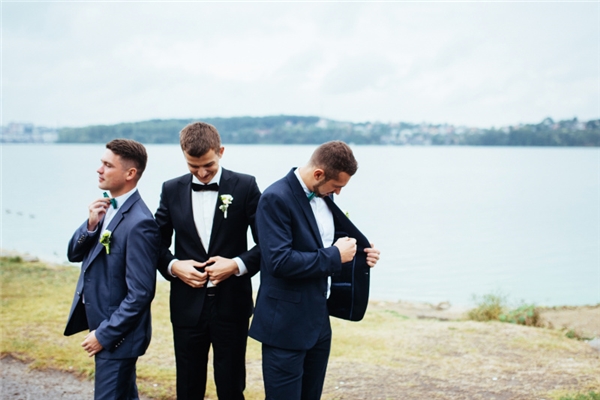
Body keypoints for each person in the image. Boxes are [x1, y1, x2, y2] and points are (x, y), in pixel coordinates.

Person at [249, 140, 380, 399]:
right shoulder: (275, 198)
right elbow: (279, 261)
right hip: (285, 325)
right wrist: (336, 255)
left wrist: (362, 255)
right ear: (318, 174)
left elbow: (328, 245)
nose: (338, 193)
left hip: (319, 322)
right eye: (337, 186)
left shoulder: (324, 195)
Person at [154, 122, 261, 400]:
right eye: (193, 166)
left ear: (221, 152)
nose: (202, 173)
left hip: (232, 305)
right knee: (188, 388)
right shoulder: (171, 189)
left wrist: (236, 264)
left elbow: (269, 244)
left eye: (208, 165)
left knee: (231, 388)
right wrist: (174, 266)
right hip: (187, 306)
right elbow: (155, 244)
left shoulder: (246, 186)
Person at [64, 139, 160, 400]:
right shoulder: (105, 208)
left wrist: (104, 335)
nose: (99, 169)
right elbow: (73, 254)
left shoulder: (140, 223)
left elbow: (141, 293)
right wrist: (90, 225)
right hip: (105, 328)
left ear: (130, 173)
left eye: (108, 165)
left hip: (118, 336)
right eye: (101, 163)